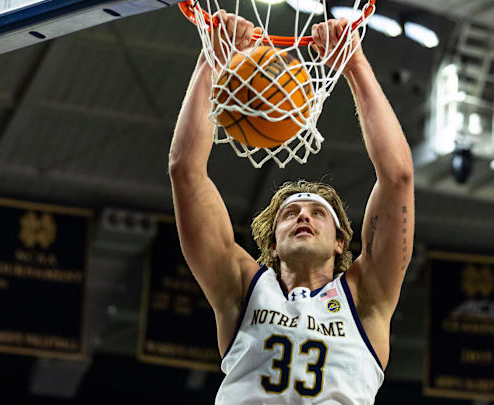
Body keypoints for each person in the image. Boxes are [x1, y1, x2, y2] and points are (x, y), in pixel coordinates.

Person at [168, 11, 414, 404]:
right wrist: (210, 60)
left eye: (319, 214)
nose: (303, 215)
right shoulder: (241, 287)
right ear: (273, 244)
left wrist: (355, 63)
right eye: (289, 214)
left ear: (340, 243)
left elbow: (398, 177)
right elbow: (185, 171)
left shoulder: (367, 296)